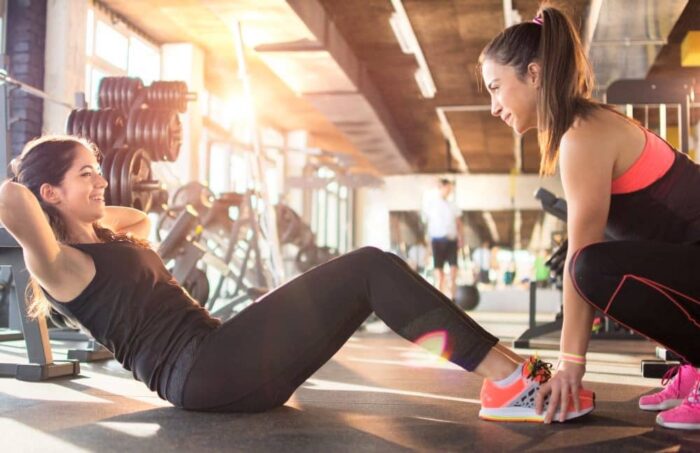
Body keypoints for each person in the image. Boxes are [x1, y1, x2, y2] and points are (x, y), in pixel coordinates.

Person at [0, 135, 593, 421]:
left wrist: (80, 199)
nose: (101, 179)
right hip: (205, 373)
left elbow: (141, 216)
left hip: (218, 363)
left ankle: (519, 377)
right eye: (86, 173)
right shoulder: (57, 263)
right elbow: (11, 197)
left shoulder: (104, 240)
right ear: (48, 193)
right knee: (366, 266)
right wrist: (31, 182)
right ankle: (516, 381)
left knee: (368, 279)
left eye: (99, 168)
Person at [480, 4, 699, 429]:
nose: (492, 106)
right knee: (595, 262)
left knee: (590, 267)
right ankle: (693, 360)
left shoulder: (583, 135)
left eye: (495, 87)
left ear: (534, 74)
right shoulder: (580, 130)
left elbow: (585, 258)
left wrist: (570, 365)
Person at [423, 178, 463, 297]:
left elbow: (459, 223)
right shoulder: (431, 204)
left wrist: (461, 239)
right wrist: (428, 245)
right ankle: (440, 298)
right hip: (437, 240)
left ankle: (453, 298)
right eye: (448, 188)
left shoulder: (453, 205)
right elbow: (427, 223)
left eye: (451, 188)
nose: (449, 191)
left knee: (453, 271)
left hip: (451, 240)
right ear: (441, 188)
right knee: (439, 273)